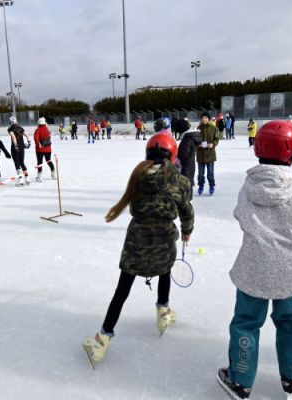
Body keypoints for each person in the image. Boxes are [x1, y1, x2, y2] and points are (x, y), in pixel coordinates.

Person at [217, 120, 292, 400]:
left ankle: (240, 378)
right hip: (287, 270)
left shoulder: (247, 187)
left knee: (246, 322)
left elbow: (240, 216)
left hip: (252, 268)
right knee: (289, 321)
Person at [82, 134, 194, 367]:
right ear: (173, 156)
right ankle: (163, 316)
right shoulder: (181, 183)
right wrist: (187, 230)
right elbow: (186, 210)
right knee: (165, 272)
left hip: (136, 244)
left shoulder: (137, 177)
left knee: (122, 291)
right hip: (164, 242)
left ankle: (101, 340)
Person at [197, 112, 220, 196]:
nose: (204, 119)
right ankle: (200, 186)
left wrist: (213, 144)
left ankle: (211, 186)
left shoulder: (213, 128)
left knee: (210, 173)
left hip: (210, 154)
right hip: (200, 155)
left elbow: (217, 139)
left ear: (209, 119)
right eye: (203, 118)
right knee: (200, 173)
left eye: (206, 118)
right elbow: (194, 140)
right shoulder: (198, 128)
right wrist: (198, 144)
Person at [177, 120, 202, 197]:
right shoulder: (190, 137)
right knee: (188, 183)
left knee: (186, 185)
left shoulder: (187, 139)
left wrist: (176, 157)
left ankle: (188, 202)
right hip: (190, 165)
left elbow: (184, 155)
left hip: (185, 167)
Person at [8, 116, 31, 186]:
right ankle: (27, 178)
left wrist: (15, 145)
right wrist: (29, 142)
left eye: (9, 122)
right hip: (22, 147)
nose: (9, 123)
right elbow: (27, 135)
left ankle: (21, 180)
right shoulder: (20, 128)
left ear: (11, 122)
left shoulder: (10, 129)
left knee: (17, 163)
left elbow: (13, 137)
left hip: (15, 148)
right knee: (22, 162)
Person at [34, 117, 56, 181]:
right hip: (48, 149)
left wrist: (38, 145)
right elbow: (49, 136)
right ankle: (53, 173)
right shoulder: (47, 130)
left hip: (40, 150)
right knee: (49, 161)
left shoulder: (38, 130)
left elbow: (36, 139)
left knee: (40, 162)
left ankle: (40, 176)